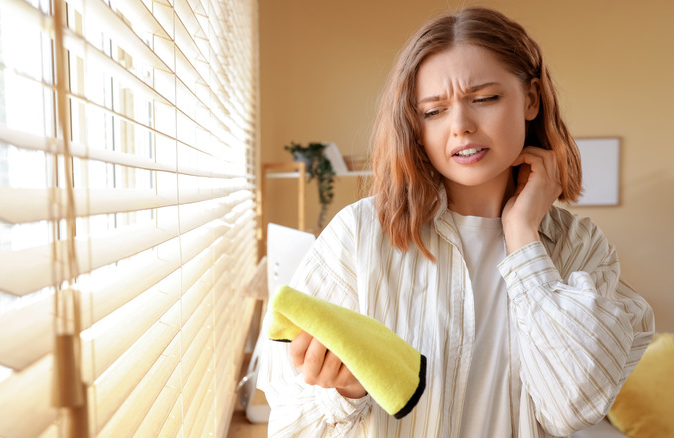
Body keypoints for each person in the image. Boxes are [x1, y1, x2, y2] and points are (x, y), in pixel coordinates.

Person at [257, 6, 655, 438]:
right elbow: (287, 420)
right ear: (416, 126)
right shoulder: (359, 234)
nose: (461, 127)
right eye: (434, 112)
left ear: (531, 99)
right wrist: (345, 392)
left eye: (484, 99)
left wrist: (522, 237)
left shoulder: (579, 248)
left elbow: (571, 408)